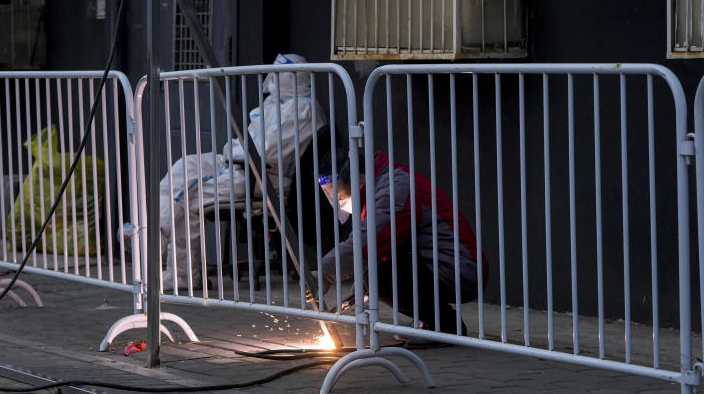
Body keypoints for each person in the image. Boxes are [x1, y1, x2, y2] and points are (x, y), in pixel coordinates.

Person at [159, 53, 326, 290]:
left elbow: (264, 152)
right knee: (185, 166)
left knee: (188, 196)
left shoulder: (303, 110)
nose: (274, 80)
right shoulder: (274, 105)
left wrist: (236, 150)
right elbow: (242, 141)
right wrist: (235, 150)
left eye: (281, 75)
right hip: (237, 164)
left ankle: (175, 265)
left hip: (264, 177)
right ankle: (155, 235)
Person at [314, 126, 488, 344]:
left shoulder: (394, 189)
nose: (340, 202)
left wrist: (324, 272)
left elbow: (369, 242)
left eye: (340, 195)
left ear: (358, 177)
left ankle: (444, 326)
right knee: (374, 274)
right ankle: (433, 322)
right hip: (438, 263)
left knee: (380, 276)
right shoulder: (380, 185)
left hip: (459, 269)